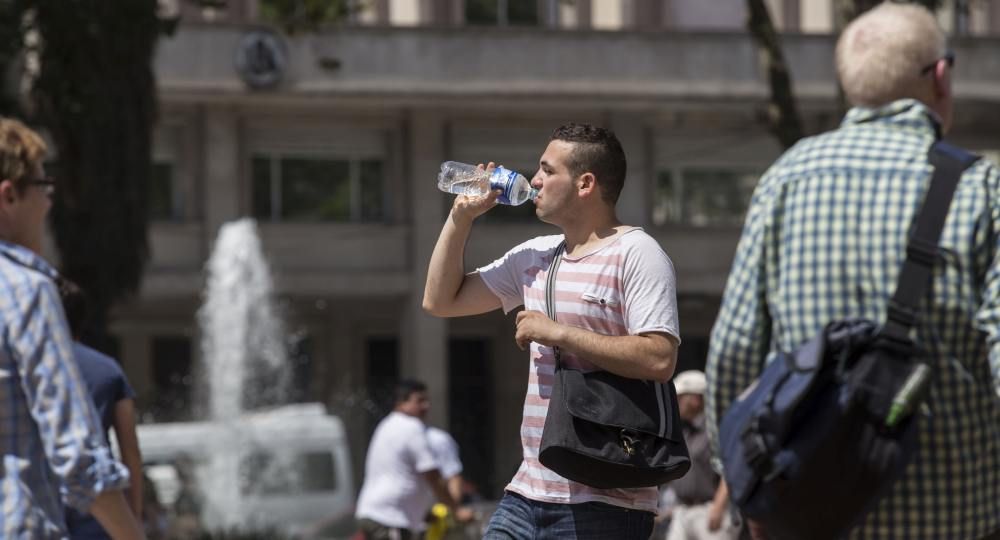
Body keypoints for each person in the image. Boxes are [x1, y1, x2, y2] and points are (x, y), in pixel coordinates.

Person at [705, 4, 1000, 540]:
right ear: (940, 76)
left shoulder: (784, 180)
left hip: (806, 512)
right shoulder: (980, 188)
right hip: (956, 514)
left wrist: (745, 486)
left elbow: (735, 349)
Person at [423, 123, 680, 539]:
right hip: (526, 491)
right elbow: (440, 301)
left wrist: (558, 332)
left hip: (606, 498)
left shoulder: (638, 253)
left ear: (585, 183)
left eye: (547, 170)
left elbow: (659, 358)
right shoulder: (534, 256)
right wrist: (460, 219)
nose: (535, 179)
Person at [0, 116, 145, 538]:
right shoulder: (25, 292)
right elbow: (77, 457)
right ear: (9, 196)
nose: (49, 203)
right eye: (44, 188)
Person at [58, 278, 145, 539]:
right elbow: (130, 449)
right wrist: (134, 515)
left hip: (43, 500)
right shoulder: (109, 370)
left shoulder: (30, 368)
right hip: (99, 509)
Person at [354, 379, 473, 540]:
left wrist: (423, 513)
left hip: (372, 512)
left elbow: (400, 476)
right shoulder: (411, 427)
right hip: (390, 518)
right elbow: (432, 475)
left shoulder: (387, 425)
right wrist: (455, 510)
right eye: (420, 401)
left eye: (427, 401)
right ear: (401, 403)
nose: (426, 406)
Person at [664, 371, 738, 540]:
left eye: (680, 396)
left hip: (710, 510)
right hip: (682, 510)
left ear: (696, 399)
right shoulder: (682, 429)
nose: (675, 402)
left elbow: (731, 468)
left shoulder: (715, 430)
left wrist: (719, 507)